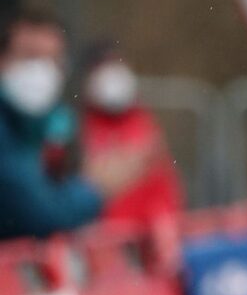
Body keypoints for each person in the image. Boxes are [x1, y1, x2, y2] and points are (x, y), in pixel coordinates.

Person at [0, 12, 153, 241]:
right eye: (30, 56)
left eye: (52, 60)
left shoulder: (56, 122)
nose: (40, 71)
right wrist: (94, 187)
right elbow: (41, 214)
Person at [78, 42, 184, 227]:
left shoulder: (143, 120)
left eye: (117, 63)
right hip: (103, 233)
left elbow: (164, 184)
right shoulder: (79, 126)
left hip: (145, 231)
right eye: (105, 65)